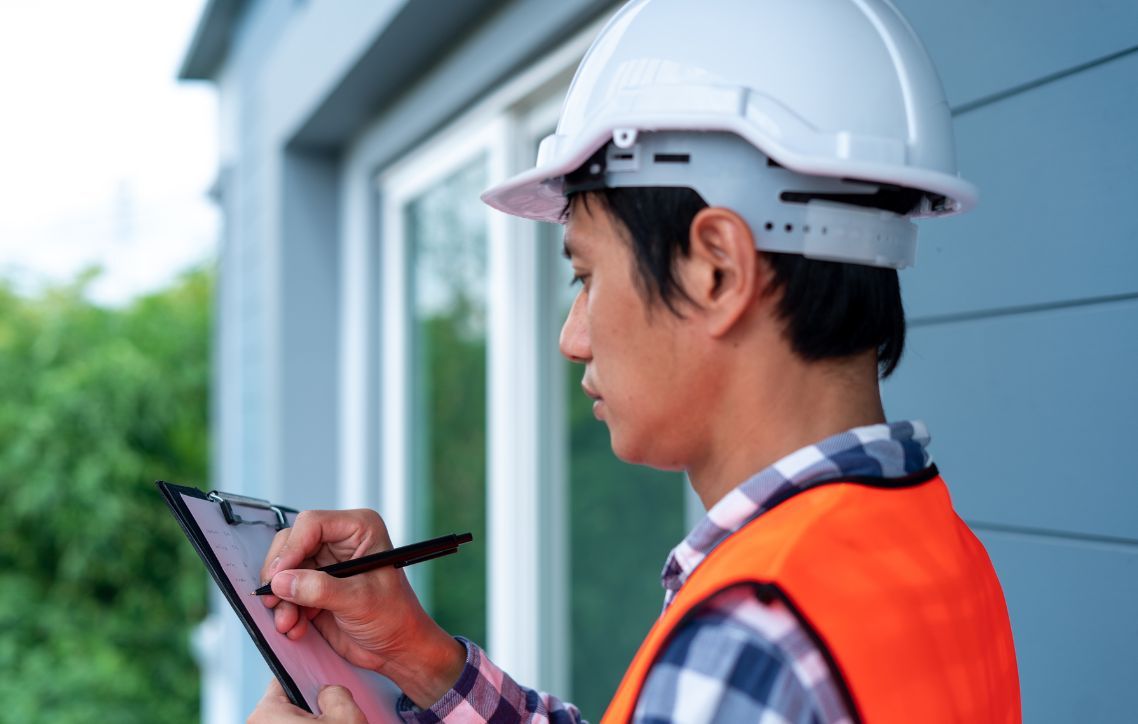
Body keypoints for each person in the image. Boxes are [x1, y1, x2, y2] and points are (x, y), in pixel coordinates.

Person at [248, 0, 1021, 721]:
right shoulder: (928, 549)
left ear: (716, 269)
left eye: (585, 276)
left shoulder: (751, 637)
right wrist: (428, 664)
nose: (572, 337)